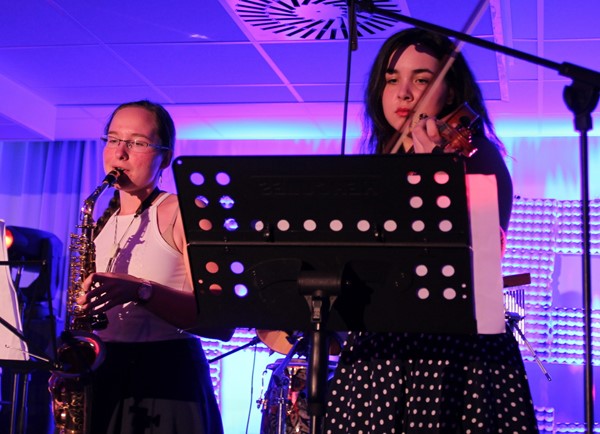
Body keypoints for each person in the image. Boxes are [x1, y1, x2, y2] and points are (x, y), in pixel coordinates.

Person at [324, 28, 539, 433]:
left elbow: (482, 262)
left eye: (421, 80)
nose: (404, 93)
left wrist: (436, 176)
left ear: (451, 90)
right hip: (382, 348)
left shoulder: (475, 155)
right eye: (392, 80)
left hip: (451, 350)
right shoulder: (384, 166)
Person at [74, 100, 228, 433]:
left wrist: (141, 291)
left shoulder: (185, 212)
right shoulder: (102, 222)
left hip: (168, 376)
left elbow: (222, 322)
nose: (120, 153)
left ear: (166, 157)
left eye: (138, 142)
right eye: (113, 139)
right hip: (104, 374)